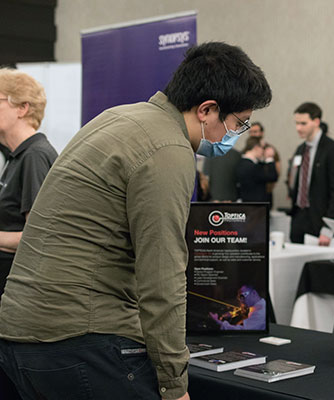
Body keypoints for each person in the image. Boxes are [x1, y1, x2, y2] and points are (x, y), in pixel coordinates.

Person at [0, 42, 271, 400]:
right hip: (81, 336)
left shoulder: (118, 118)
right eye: (238, 124)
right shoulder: (168, 149)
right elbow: (162, 278)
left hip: (23, 331)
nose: (234, 137)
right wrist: (175, 385)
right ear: (207, 109)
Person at [0, 68, 58, 296]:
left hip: (19, 292)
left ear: (22, 108)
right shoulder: (17, 156)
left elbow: (38, 236)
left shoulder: (35, 156)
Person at [288, 102, 334, 245]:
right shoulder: (300, 149)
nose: (298, 128)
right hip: (299, 219)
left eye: (303, 123)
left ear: (316, 122)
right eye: (296, 123)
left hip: (320, 221)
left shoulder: (332, 150)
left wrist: (328, 228)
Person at [235, 136, 278, 203]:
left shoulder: (242, 162)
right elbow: (273, 177)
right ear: (256, 148)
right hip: (255, 206)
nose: (264, 151)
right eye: (263, 148)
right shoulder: (252, 167)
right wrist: (270, 158)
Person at [249, 121, 280, 207]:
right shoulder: (246, 149)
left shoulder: (269, 149)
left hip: (265, 192)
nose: (253, 134)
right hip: (249, 193)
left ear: (261, 133)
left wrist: (269, 188)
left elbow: (277, 169)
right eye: (251, 132)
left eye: (255, 132)